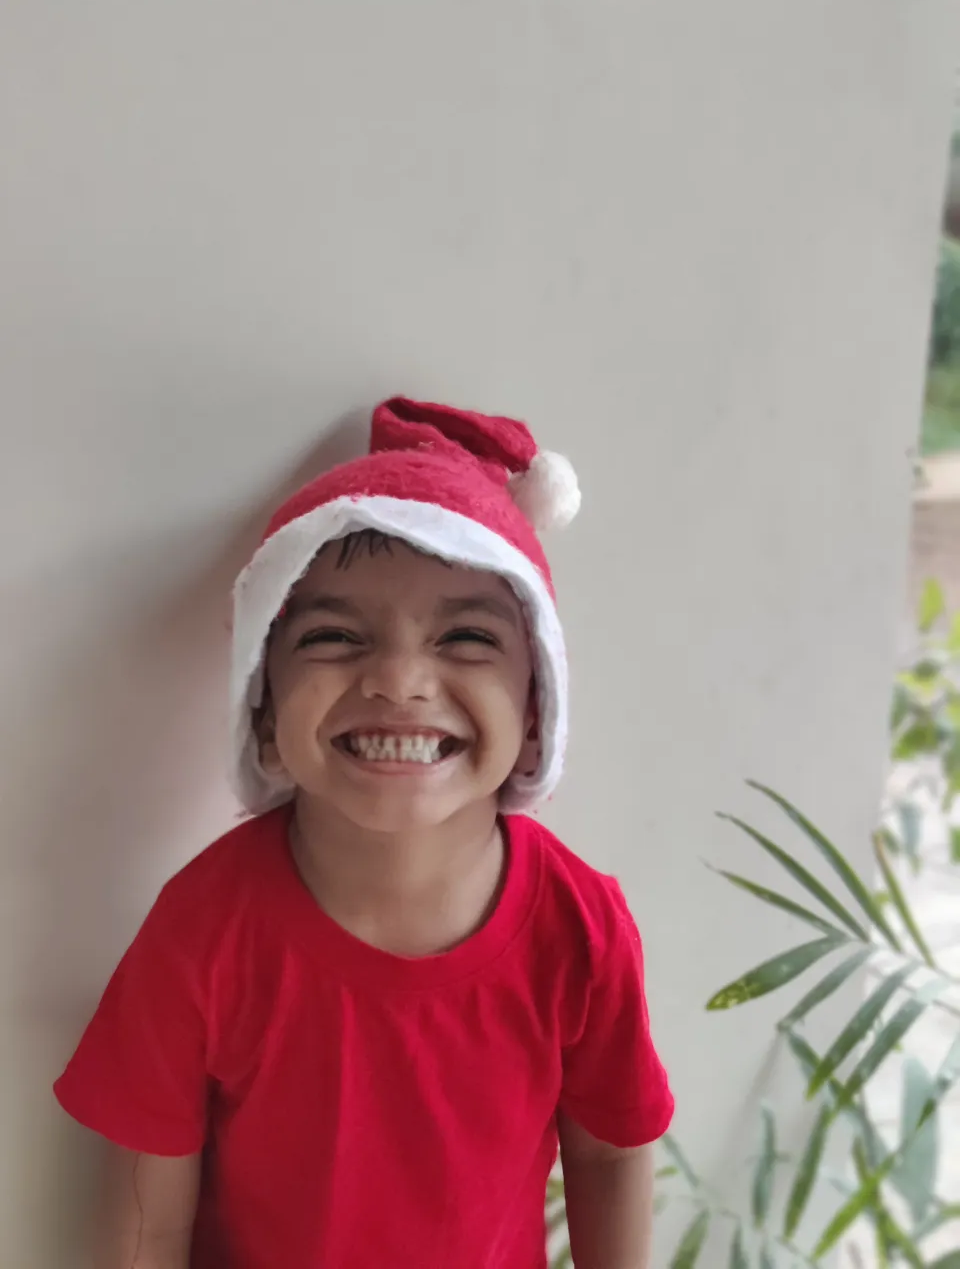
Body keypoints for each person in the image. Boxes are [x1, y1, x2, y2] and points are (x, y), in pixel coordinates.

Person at [54, 396, 674, 1269]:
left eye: (465, 637)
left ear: (538, 714)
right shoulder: (200, 931)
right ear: (262, 713)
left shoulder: (584, 928)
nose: (398, 680)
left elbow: (610, 1160)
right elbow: (148, 1225)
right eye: (335, 635)